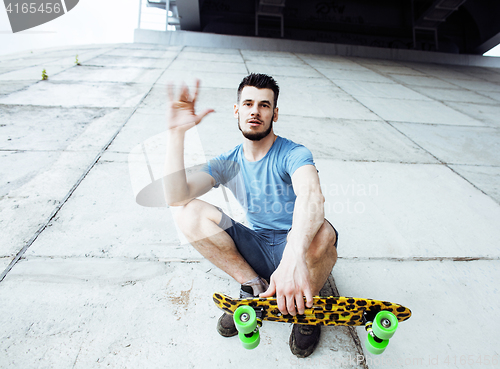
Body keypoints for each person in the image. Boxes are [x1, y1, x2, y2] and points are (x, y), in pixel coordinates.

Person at [164, 73, 338, 358]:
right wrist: (176, 135)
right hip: (257, 245)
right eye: (248, 103)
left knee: (324, 232)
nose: (255, 111)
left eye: (264, 105)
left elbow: (312, 197)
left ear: (275, 113)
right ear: (237, 110)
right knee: (186, 213)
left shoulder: (293, 153)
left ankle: (306, 309)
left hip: (298, 249)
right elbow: (176, 196)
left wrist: (292, 258)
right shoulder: (228, 162)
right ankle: (253, 286)